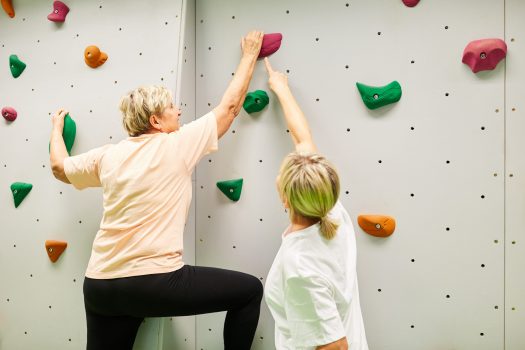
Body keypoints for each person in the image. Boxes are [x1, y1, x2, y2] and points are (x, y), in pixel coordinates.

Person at [49, 30, 265, 350]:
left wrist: (55, 129)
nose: (178, 112)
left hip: (100, 286)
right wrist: (249, 54)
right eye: (172, 108)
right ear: (156, 120)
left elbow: (58, 168)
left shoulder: (107, 156)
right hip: (155, 283)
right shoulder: (176, 145)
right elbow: (230, 108)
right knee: (249, 292)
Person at [263, 57, 369, 350]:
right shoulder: (333, 214)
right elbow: (303, 139)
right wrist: (281, 88)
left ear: (285, 198)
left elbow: (334, 348)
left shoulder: (300, 268)